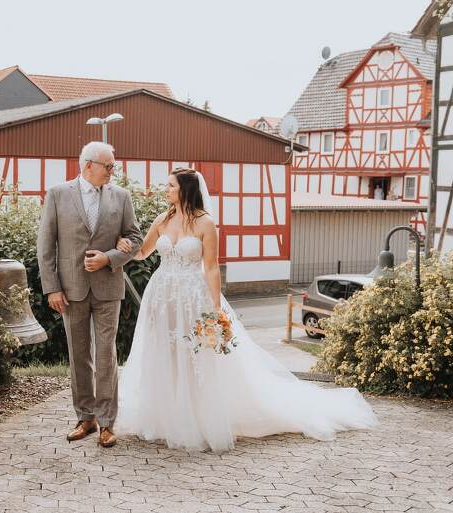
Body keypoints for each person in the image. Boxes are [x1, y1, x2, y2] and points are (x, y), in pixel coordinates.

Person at [114, 168, 378, 452]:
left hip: (193, 297)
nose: (165, 190)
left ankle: (196, 419)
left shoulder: (206, 223)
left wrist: (215, 309)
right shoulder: (162, 219)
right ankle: (165, 417)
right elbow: (143, 253)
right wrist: (125, 247)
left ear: (185, 190)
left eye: (170, 186)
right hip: (162, 296)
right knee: (166, 353)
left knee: (195, 358)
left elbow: (212, 267)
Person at [37, 141, 143, 448]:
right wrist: (52, 287)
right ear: (88, 166)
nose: (113, 171)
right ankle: (86, 417)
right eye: (108, 166)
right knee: (79, 355)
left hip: (109, 287)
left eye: (113, 166)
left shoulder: (121, 197)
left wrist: (109, 257)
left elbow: (134, 237)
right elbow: (46, 246)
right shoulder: (57, 194)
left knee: (106, 355)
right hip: (71, 289)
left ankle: (108, 422)